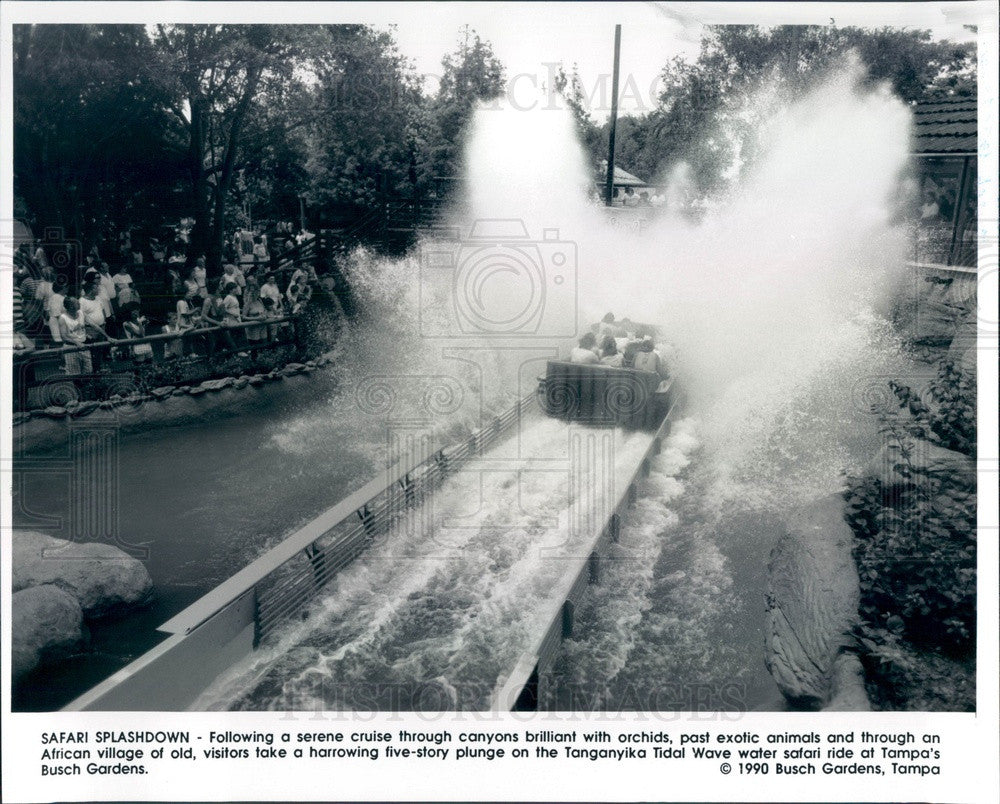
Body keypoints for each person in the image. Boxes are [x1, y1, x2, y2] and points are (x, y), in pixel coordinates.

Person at [58, 297, 92, 374]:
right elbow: (64, 337)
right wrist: (77, 343)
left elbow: (94, 324)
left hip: (84, 345)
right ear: (71, 306)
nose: (79, 303)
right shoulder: (63, 318)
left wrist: (107, 336)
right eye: (77, 303)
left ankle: (87, 385)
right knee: (75, 373)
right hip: (71, 348)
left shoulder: (81, 313)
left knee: (88, 370)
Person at [46, 275, 68, 344]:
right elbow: (57, 315)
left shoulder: (64, 297)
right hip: (58, 328)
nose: (67, 287)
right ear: (62, 288)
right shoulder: (56, 298)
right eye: (65, 286)